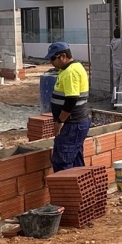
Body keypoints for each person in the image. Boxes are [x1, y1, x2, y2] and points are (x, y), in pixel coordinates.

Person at [45, 41, 90, 172]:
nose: (51, 62)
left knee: (62, 162)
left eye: (53, 58)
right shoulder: (68, 69)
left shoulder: (71, 72)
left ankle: (66, 191)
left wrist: (59, 121)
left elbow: (71, 100)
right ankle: (80, 190)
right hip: (74, 123)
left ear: (62, 56)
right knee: (75, 160)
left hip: (72, 124)